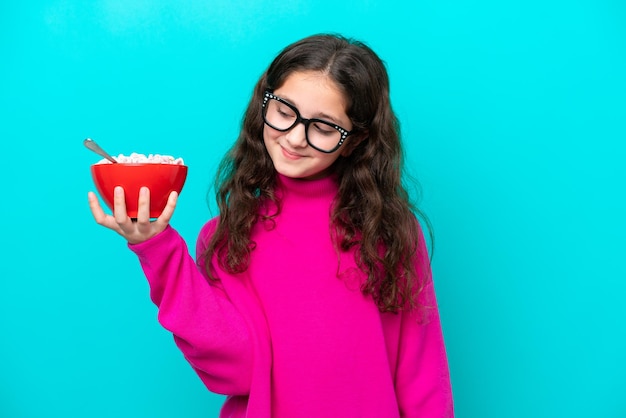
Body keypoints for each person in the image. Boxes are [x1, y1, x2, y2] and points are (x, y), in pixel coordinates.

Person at [88, 33, 454, 418]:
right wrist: (158, 248)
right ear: (265, 99)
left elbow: (422, 374)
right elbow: (238, 371)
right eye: (284, 110)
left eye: (324, 127)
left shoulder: (390, 230)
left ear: (354, 140)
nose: (295, 138)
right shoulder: (229, 236)